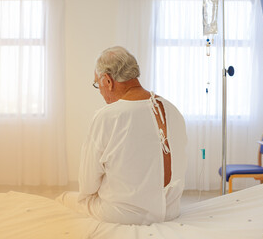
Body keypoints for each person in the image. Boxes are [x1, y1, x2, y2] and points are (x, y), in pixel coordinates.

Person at [57, 46, 187, 225]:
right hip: (170, 211)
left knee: (63, 198)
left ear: (108, 81)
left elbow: (88, 185)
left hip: (124, 216)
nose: (101, 92)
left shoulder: (107, 116)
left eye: (98, 84)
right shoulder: (173, 110)